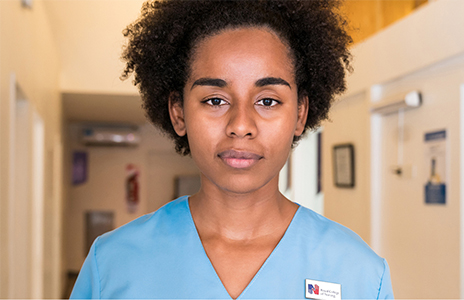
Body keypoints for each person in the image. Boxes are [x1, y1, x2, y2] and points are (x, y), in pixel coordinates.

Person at [70, 0, 393, 299]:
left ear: (299, 114)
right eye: (215, 100)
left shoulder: (360, 273)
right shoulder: (112, 264)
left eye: (268, 101)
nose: (241, 124)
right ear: (179, 113)